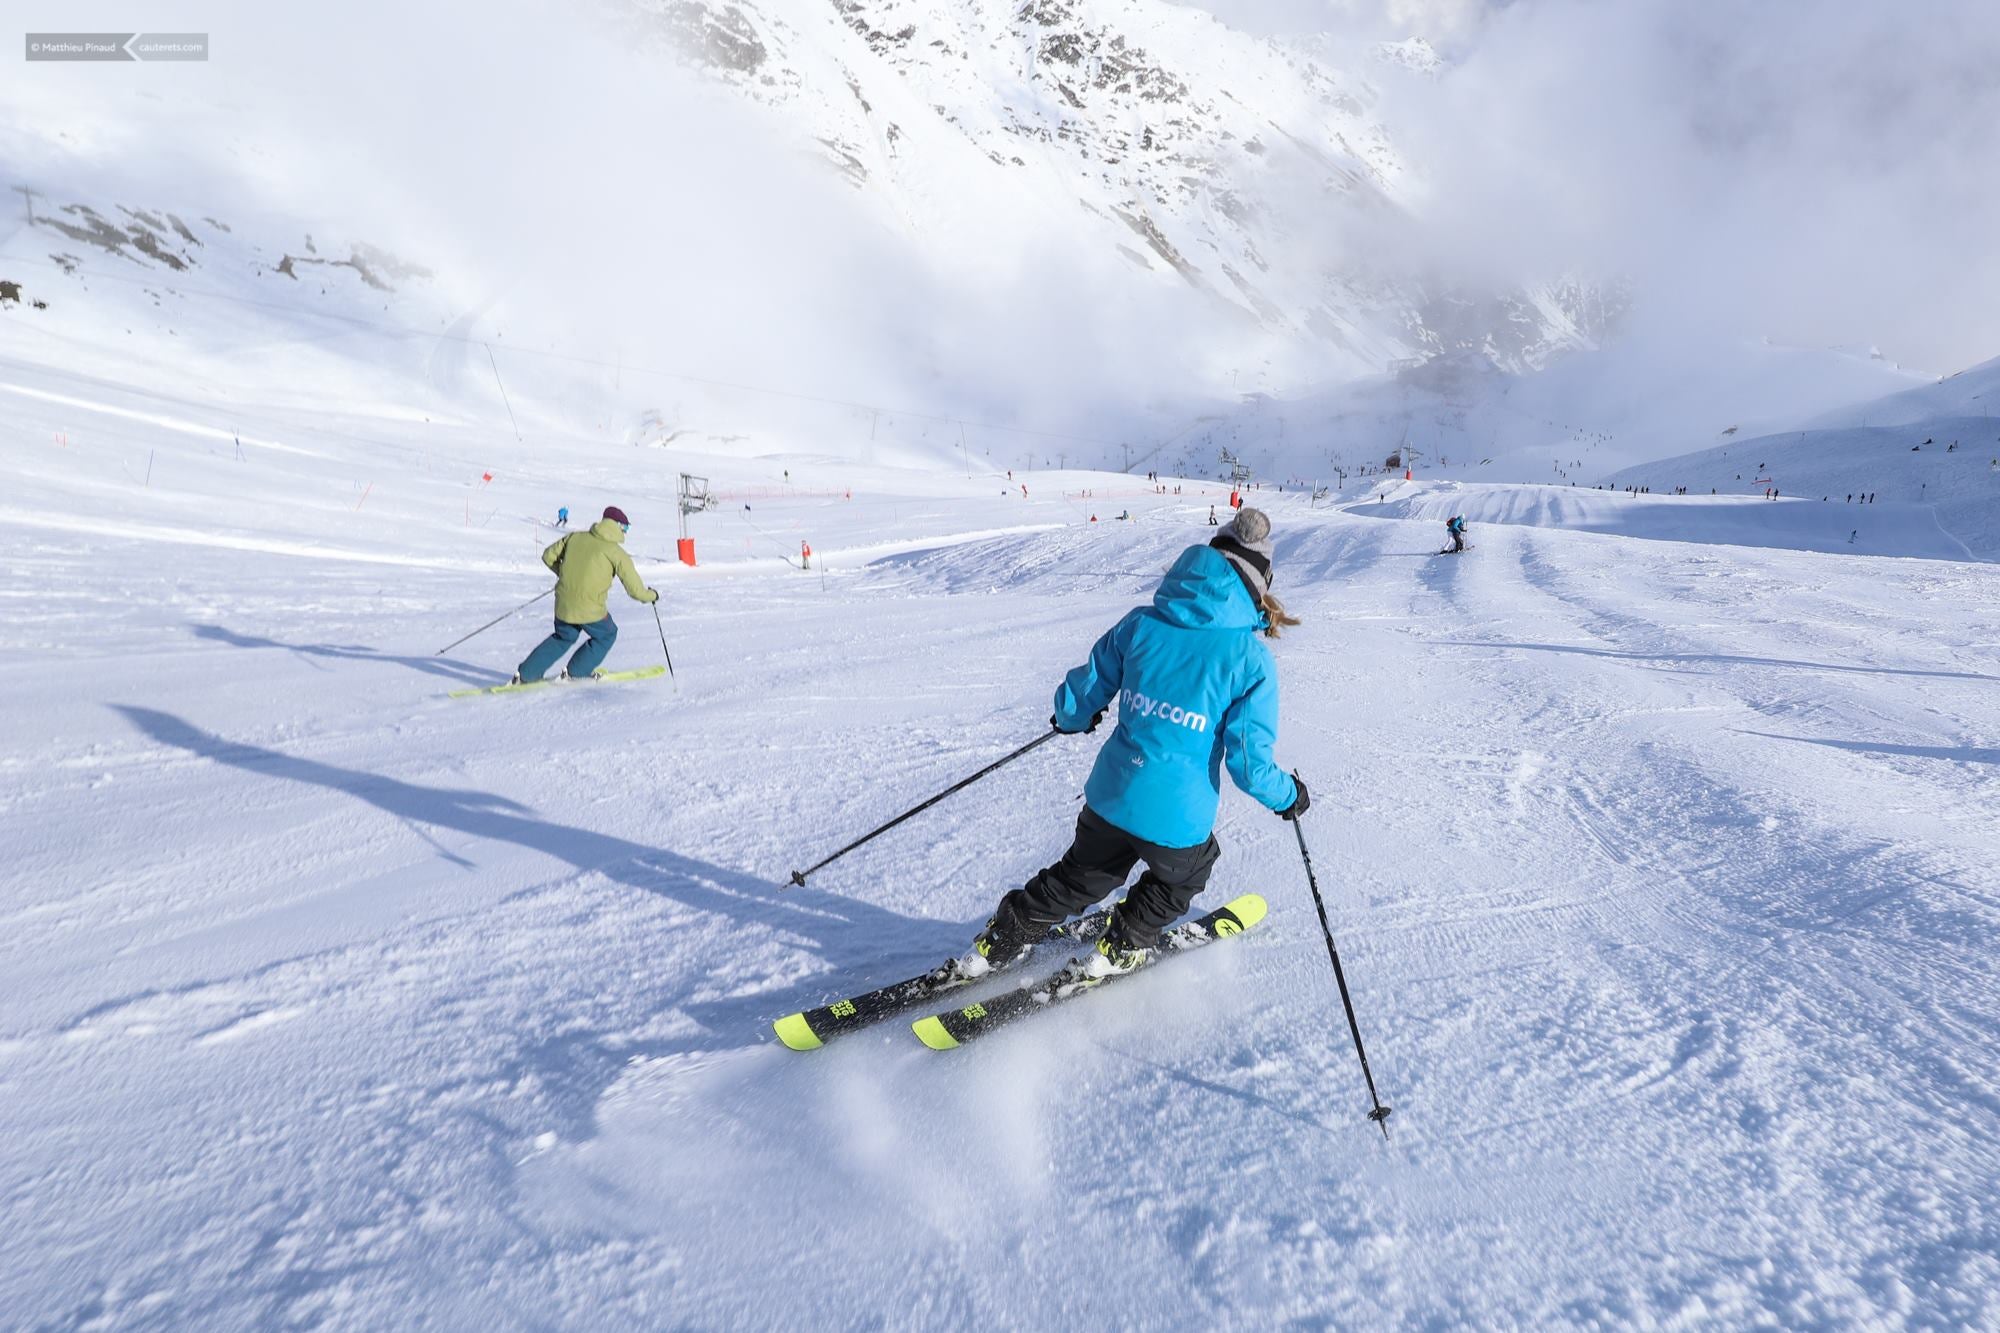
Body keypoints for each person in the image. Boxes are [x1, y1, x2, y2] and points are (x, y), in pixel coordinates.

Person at [961, 509, 1307, 981]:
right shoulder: (1249, 659)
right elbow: (1248, 763)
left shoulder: (1141, 624)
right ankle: (1124, 942)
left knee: (1077, 878)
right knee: (1186, 876)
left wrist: (1071, 717)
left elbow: (1086, 689)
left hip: (1111, 796)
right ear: (1256, 587)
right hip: (1176, 819)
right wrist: (1289, 796)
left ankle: (1001, 939)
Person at [513, 505, 658, 684]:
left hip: (564, 603)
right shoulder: (616, 553)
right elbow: (635, 591)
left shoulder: (575, 537)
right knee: (607, 634)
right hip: (590, 609)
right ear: (617, 526)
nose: (626, 532)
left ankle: (527, 674)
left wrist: (567, 575)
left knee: (564, 636)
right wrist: (652, 595)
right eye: (625, 527)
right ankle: (577, 672)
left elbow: (547, 556)